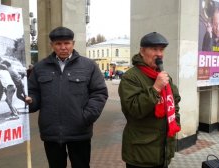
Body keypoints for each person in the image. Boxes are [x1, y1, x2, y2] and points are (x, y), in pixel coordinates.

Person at [25, 26, 108, 168]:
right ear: (52, 45)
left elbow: (99, 93)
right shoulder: (40, 67)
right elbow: (34, 93)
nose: (63, 47)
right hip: (51, 132)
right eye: (58, 44)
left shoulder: (88, 66)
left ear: (73, 44)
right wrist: (31, 101)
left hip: (79, 132)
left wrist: (86, 117)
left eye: (67, 43)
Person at [118, 32, 181, 168]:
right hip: (141, 153)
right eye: (154, 49)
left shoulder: (164, 76)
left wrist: (175, 121)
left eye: (161, 49)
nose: (159, 54)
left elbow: (174, 102)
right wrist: (156, 88)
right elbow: (134, 109)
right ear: (142, 51)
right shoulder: (131, 77)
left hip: (163, 150)